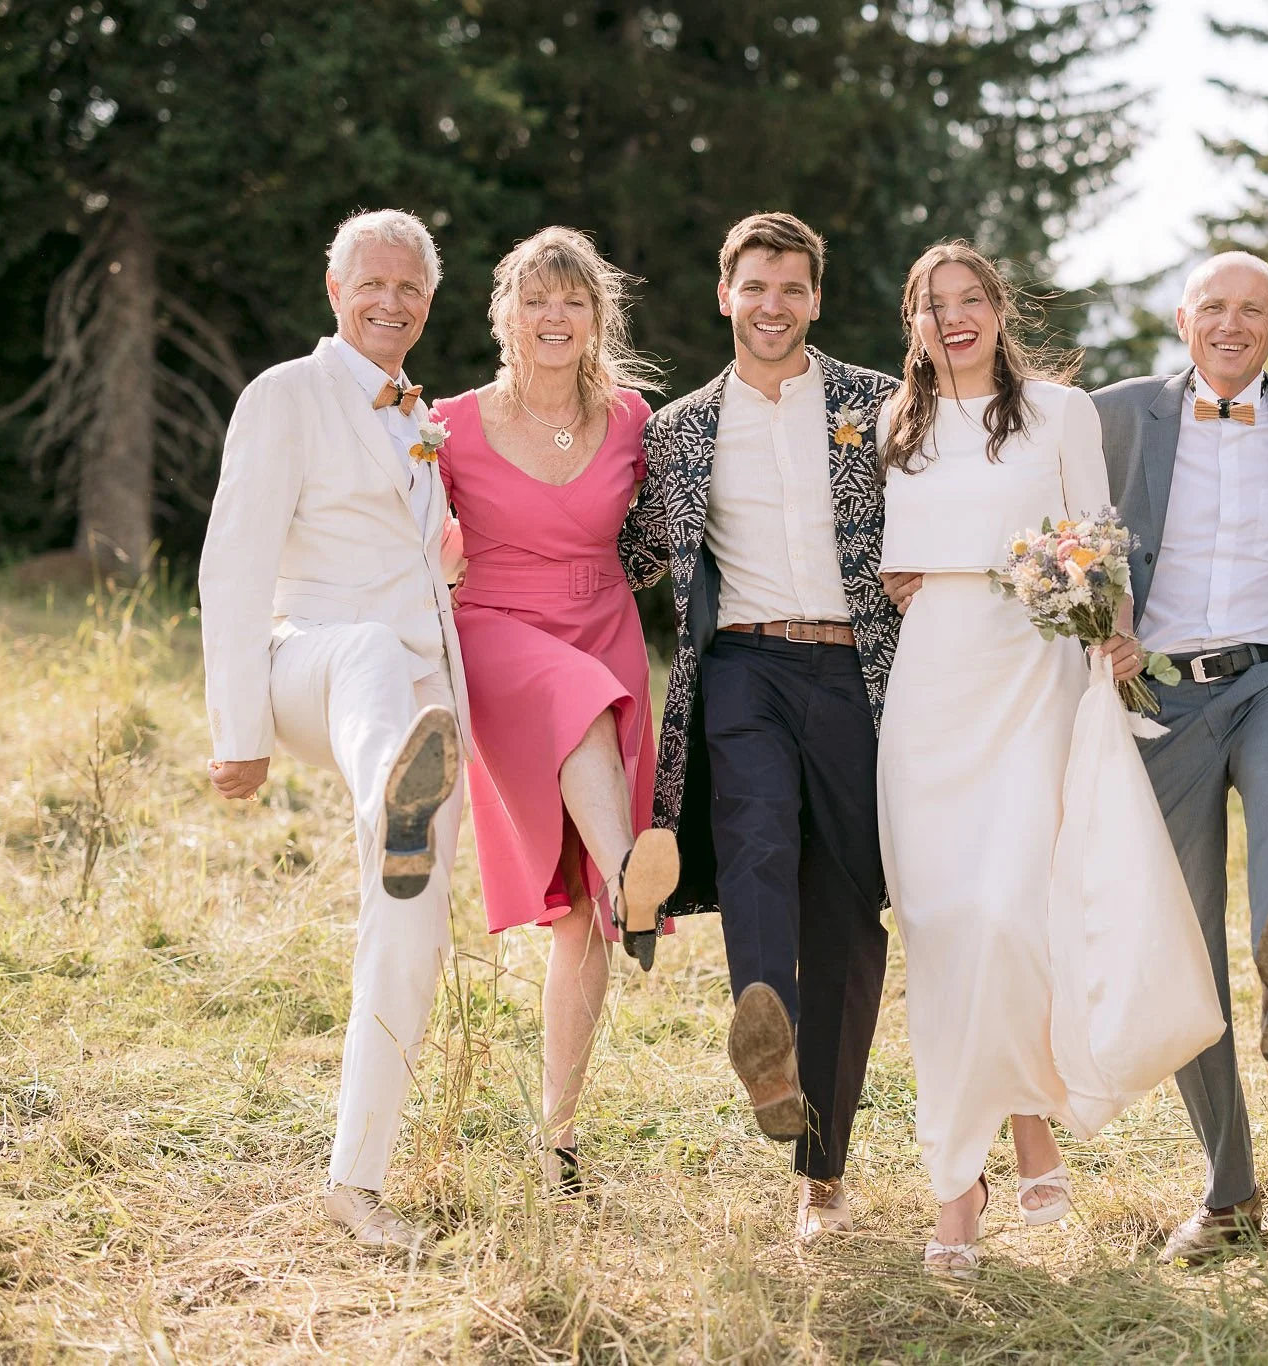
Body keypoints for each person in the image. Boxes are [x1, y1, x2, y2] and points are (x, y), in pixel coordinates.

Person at [618, 212, 900, 1243]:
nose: (771, 306)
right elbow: (619, 553)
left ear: (815, 298)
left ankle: (821, 1171)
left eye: (790, 288)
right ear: (723, 295)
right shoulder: (678, 431)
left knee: (847, 917)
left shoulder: (879, 405)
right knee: (753, 840)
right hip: (741, 667)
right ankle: (763, 1027)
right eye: (754, 287)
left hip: (861, 676)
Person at [873, 242, 1146, 1277]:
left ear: (998, 309)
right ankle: (963, 1182)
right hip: (933, 679)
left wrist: (1115, 632)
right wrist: (914, 578)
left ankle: (1022, 1118)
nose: (954, 318)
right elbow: (894, 557)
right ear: (913, 322)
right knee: (942, 925)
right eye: (932, 304)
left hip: (1035, 670)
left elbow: (1098, 542)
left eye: (970, 299)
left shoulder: (1061, 412)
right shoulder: (895, 425)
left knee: (1010, 911)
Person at [200, 209, 468, 1254]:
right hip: (309, 661)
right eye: (372, 284)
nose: (390, 302)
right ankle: (391, 794)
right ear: (334, 290)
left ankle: (357, 1183)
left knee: (410, 926)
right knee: (365, 652)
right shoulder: (286, 394)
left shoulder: (421, 417)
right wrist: (238, 730)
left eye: (409, 288)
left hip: (422, 698)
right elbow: (233, 560)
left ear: (428, 301)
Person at [1088, 252, 1268, 1264]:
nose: (1231, 325)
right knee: (1180, 943)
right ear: (1181, 318)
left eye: (1252, 311)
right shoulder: (1116, 414)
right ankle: (1230, 1193)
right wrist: (1096, 620)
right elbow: (1051, 514)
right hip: (1161, 694)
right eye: (1214, 308)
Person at [431, 226, 679, 1197]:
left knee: (577, 918)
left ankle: (559, 1139)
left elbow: (668, 532)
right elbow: (401, 528)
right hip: (497, 632)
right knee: (581, 706)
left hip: (604, 628)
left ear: (597, 316)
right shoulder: (449, 423)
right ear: (505, 314)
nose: (553, 315)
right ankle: (632, 877)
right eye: (535, 298)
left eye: (573, 300)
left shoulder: (631, 420)